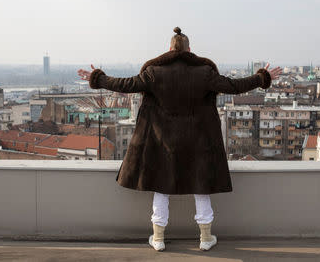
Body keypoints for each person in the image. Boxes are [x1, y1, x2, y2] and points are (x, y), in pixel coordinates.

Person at [77, 27, 282, 252]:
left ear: (169, 49)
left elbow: (126, 85)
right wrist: (263, 77)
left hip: (163, 143)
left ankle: (158, 239)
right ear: (189, 50)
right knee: (201, 189)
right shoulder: (204, 73)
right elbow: (234, 86)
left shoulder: (154, 73)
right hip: (198, 143)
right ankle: (205, 239)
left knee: (160, 189)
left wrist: (98, 78)